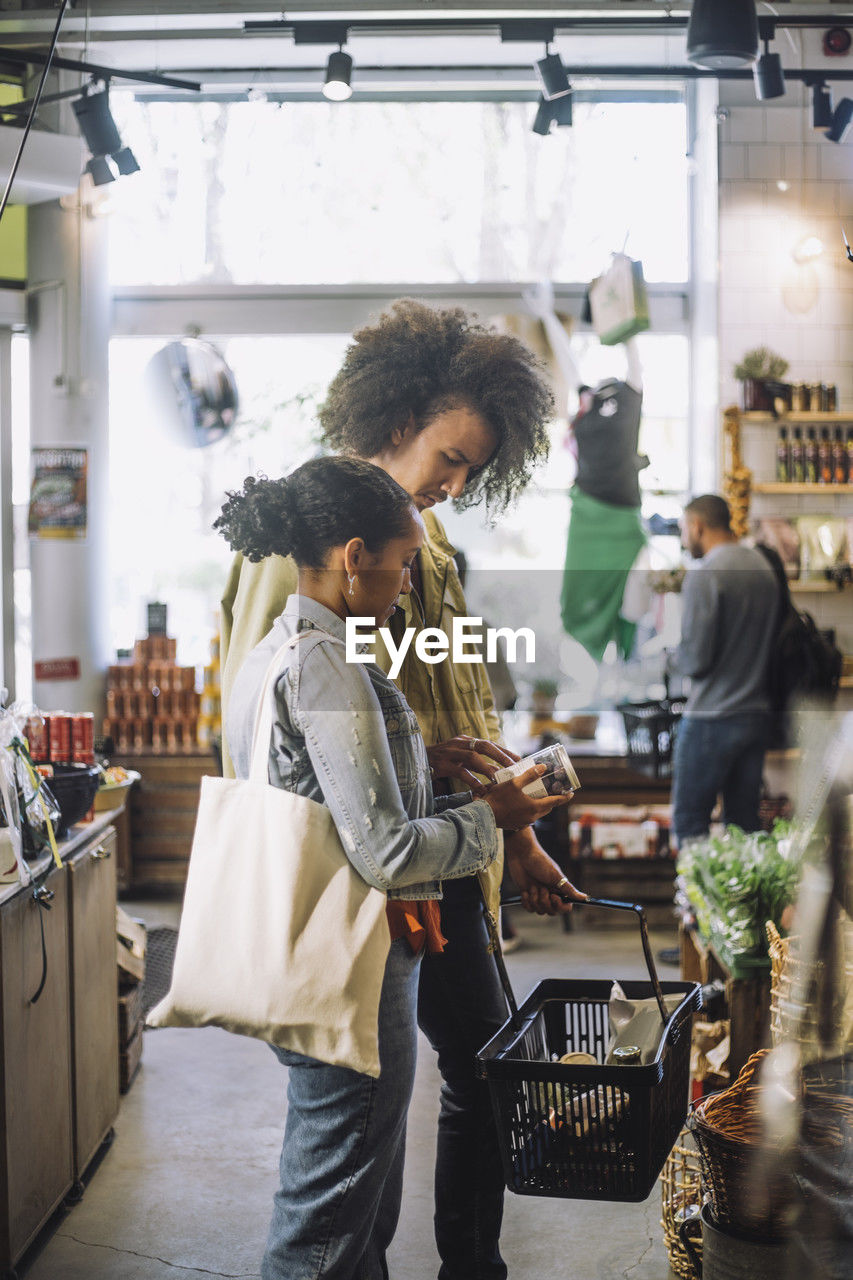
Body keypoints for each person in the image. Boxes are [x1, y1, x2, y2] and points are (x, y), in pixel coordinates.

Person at [220, 299, 585, 1280]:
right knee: (401, 1094)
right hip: (382, 875)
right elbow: (281, 722)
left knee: (454, 1075)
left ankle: (458, 1262)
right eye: (451, 456)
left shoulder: (420, 546)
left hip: (439, 848)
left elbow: (444, 699)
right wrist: (473, 817)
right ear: (393, 421)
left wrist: (513, 828)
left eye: (474, 468)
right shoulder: (310, 546)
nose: (457, 483)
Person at [668, 493, 780, 846]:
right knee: (743, 827)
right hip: (755, 716)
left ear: (698, 526)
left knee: (690, 823)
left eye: (685, 530)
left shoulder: (705, 575)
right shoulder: (763, 567)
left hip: (711, 719)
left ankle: (695, 902)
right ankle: (740, 902)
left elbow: (696, 661)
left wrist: (670, 655)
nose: (684, 539)